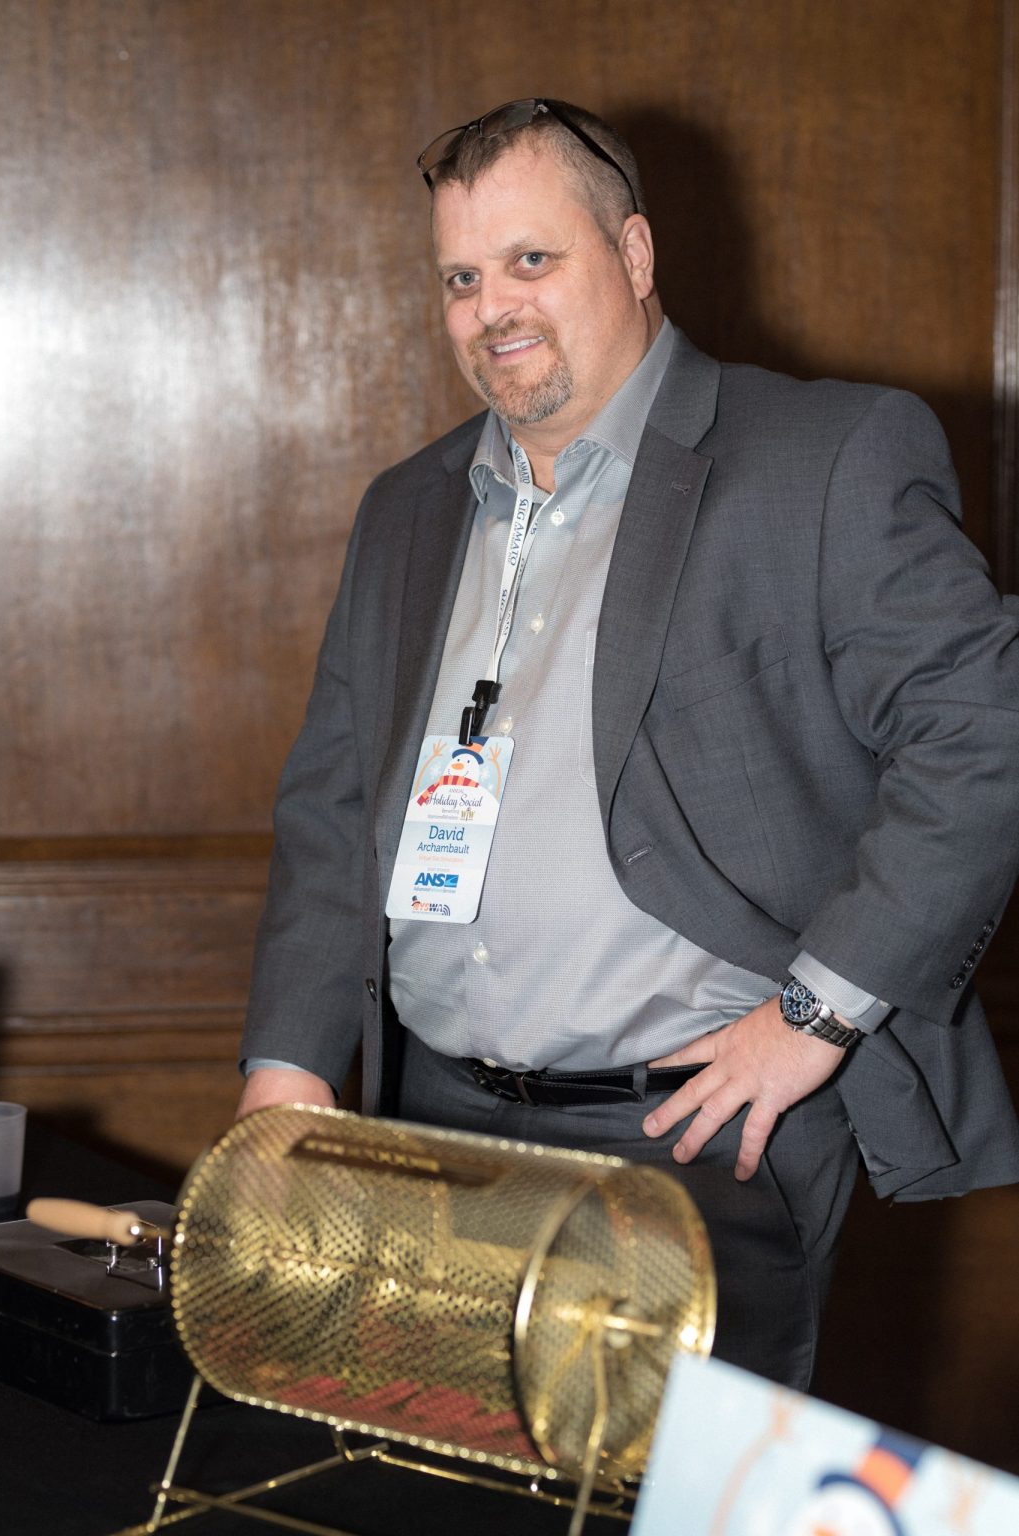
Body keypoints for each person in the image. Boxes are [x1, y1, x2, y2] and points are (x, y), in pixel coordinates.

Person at [237, 98, 1019, 1389]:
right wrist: (288, 1068)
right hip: (431, 1127)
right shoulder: (406, 509)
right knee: (447, 1476)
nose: (493, 307)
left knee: (661, 1489)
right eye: (461, 277)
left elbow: (985, 729)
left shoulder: (822, 456)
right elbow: (331, 812)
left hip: (693, 1137)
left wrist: (819, 1010)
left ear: (636, 254)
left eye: (531, 260)